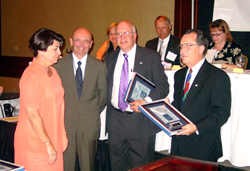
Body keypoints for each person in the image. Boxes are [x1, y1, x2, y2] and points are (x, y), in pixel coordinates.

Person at [105, 20, 169, 171]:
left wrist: (146, 101)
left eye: (126, 33)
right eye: (118, 33)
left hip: (141, 121)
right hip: (116, 121)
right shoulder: (110, 58)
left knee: (141, 167)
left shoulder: (150, 56)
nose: (122, 36)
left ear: (135, 35)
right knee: (117, 165)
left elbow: (163, 86)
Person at [169, 29, 231, 162]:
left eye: (188, 46)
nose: (182, 50)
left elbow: (221, 113)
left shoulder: (217, 76)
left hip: (203, 146)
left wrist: (196, 127)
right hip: (179, 144)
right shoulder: (179, 75)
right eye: (181, 46)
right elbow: (181, 105)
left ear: (201, 48)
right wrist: (167, 108)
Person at [14, 28, 68, 171]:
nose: (59, 53)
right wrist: (47, 143)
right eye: (55, 49)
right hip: (36, 141)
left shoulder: (53, 71)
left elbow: (59, 106)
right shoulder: (31, 75)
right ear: (42, 50)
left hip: (52, 137)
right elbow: (32, 113)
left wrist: (61, 135)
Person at [54, 27, 107, 171]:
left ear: (91, 44)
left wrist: (90, 112)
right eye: (78, 40)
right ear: (71, 42)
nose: (81, 44)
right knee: (66, 166)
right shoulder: (58, 65)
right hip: (65, 126)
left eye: (86, 41)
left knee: (88, 167)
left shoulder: (99, 67)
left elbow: (103, 97)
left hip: (89, 126)